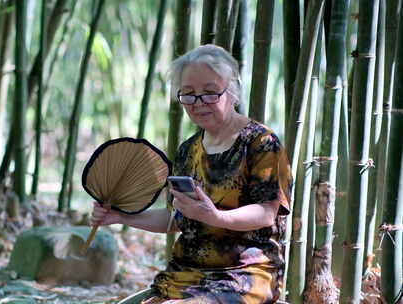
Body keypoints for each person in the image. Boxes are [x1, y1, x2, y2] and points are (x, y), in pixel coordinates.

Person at [91, 44, 292, 304]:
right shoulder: (188, 150)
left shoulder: (261, 143)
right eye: (188, 94)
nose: (198, 103)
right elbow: (175, 219)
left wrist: (216, 216)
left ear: (232, 92)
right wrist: (119, 216)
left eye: (210, 93)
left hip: (244, 275)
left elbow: (266, 213)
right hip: (186, 274)